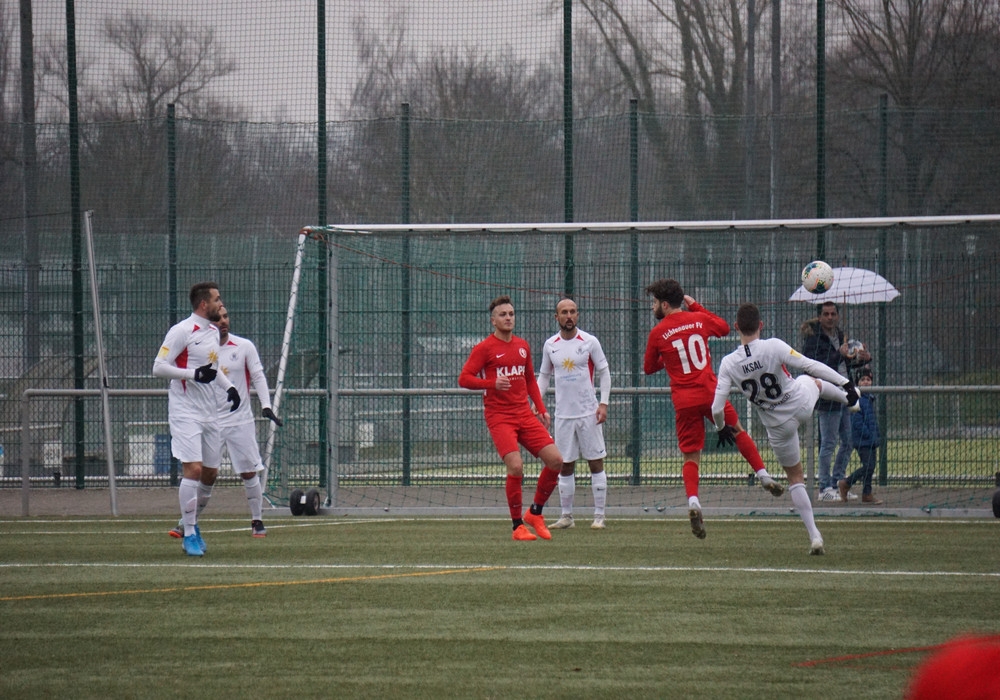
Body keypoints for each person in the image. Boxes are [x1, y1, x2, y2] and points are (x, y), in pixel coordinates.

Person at [713, 303, 861, 554]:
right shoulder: (773, 345)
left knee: (795, 478)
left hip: (777, 426)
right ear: (761, 325)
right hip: (800, 404)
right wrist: (845, 382)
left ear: (736, 327)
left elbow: (717, 408)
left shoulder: (728, 363)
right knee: (811, 380)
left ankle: (815, 536)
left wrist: (720, 427)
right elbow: (810, 364)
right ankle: (850, 399)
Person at [643, 279, 783, 541]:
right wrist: (696, 305)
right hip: (710, 393)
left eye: (654, 303)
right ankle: (763, 475)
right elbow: (723, 328)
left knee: (691, 455)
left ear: (665, 305)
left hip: (684, 400)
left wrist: (670, 358)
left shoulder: (658, 332)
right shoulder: (698, 319)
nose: (653, 307)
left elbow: (649, 368)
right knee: (737, 429)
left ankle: (694, 502)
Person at [169, 305, 283, 540]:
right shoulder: (201, 349)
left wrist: (266, 405)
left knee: (249, 471)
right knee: (206, 475)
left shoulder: (244, 346)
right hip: (211, 421)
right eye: (218, 318)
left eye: (226, 317)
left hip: (240, 420)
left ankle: (257, 519)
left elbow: (258, 375)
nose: (223, 321)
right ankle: (188, 522)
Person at [458, 295, 564, 541]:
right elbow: (464, 378)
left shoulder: (522, 346)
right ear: (493, 320)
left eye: (511, 314)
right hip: (499, 417)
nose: (508, 318)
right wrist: (491, 383)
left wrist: (541, 408)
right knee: (516, 466)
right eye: (503, 315)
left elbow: (529, 380)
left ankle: (535, 512)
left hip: (524, 414)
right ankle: (517, 526)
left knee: (556, 460)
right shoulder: (484, 348)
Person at [152, 282, 240, 557]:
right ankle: (189, 533)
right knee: (193, 469)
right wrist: (192, 375)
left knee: (210, 473)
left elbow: (211, 369)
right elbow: (159, 367)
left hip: (209, 411)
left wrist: (230, 388)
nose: (221, 304)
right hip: (185, 411)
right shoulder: (181, 331)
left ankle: (190, 522)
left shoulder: (212, 331)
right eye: (217, 299)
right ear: (204, 304)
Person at [536, 297, 611, 530]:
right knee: (564, 465)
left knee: (595, 462)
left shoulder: (589, 342)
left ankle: (599, 515)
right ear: (556, 317)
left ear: (577, 315)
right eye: (564, 312)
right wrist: (537, 403)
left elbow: (604, 371)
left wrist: (603, 403)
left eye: (573, 312)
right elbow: (544, 376)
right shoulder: (550, 345)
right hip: (563, 416)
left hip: (589, 413)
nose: (569, 316)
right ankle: (567, 516)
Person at [801, 301, 871, 501]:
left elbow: (844, 364)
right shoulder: (813, 340)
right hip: (827, 394)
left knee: (848, 442)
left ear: (838, 316)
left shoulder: (841, 336)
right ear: (820, 317)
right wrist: (837, 354)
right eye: (826, 314)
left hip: (844, 393)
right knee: (829, 443)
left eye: (833, 314)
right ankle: (824, 488)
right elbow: (815, 366)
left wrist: (862, 358)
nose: (830, 317)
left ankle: (839, 482)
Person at [838, 367, 883, 504]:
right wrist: (868, 434)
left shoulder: (869, 399)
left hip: (870, 439)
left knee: (870, 467)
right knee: (868, 466)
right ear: (857, 382)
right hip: (862, 439)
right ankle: (846, 482)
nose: (866, 382)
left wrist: (875, 434)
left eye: (868, 379)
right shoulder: (858, 399)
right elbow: (857, 421)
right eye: (862, 379)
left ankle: (867, 493)